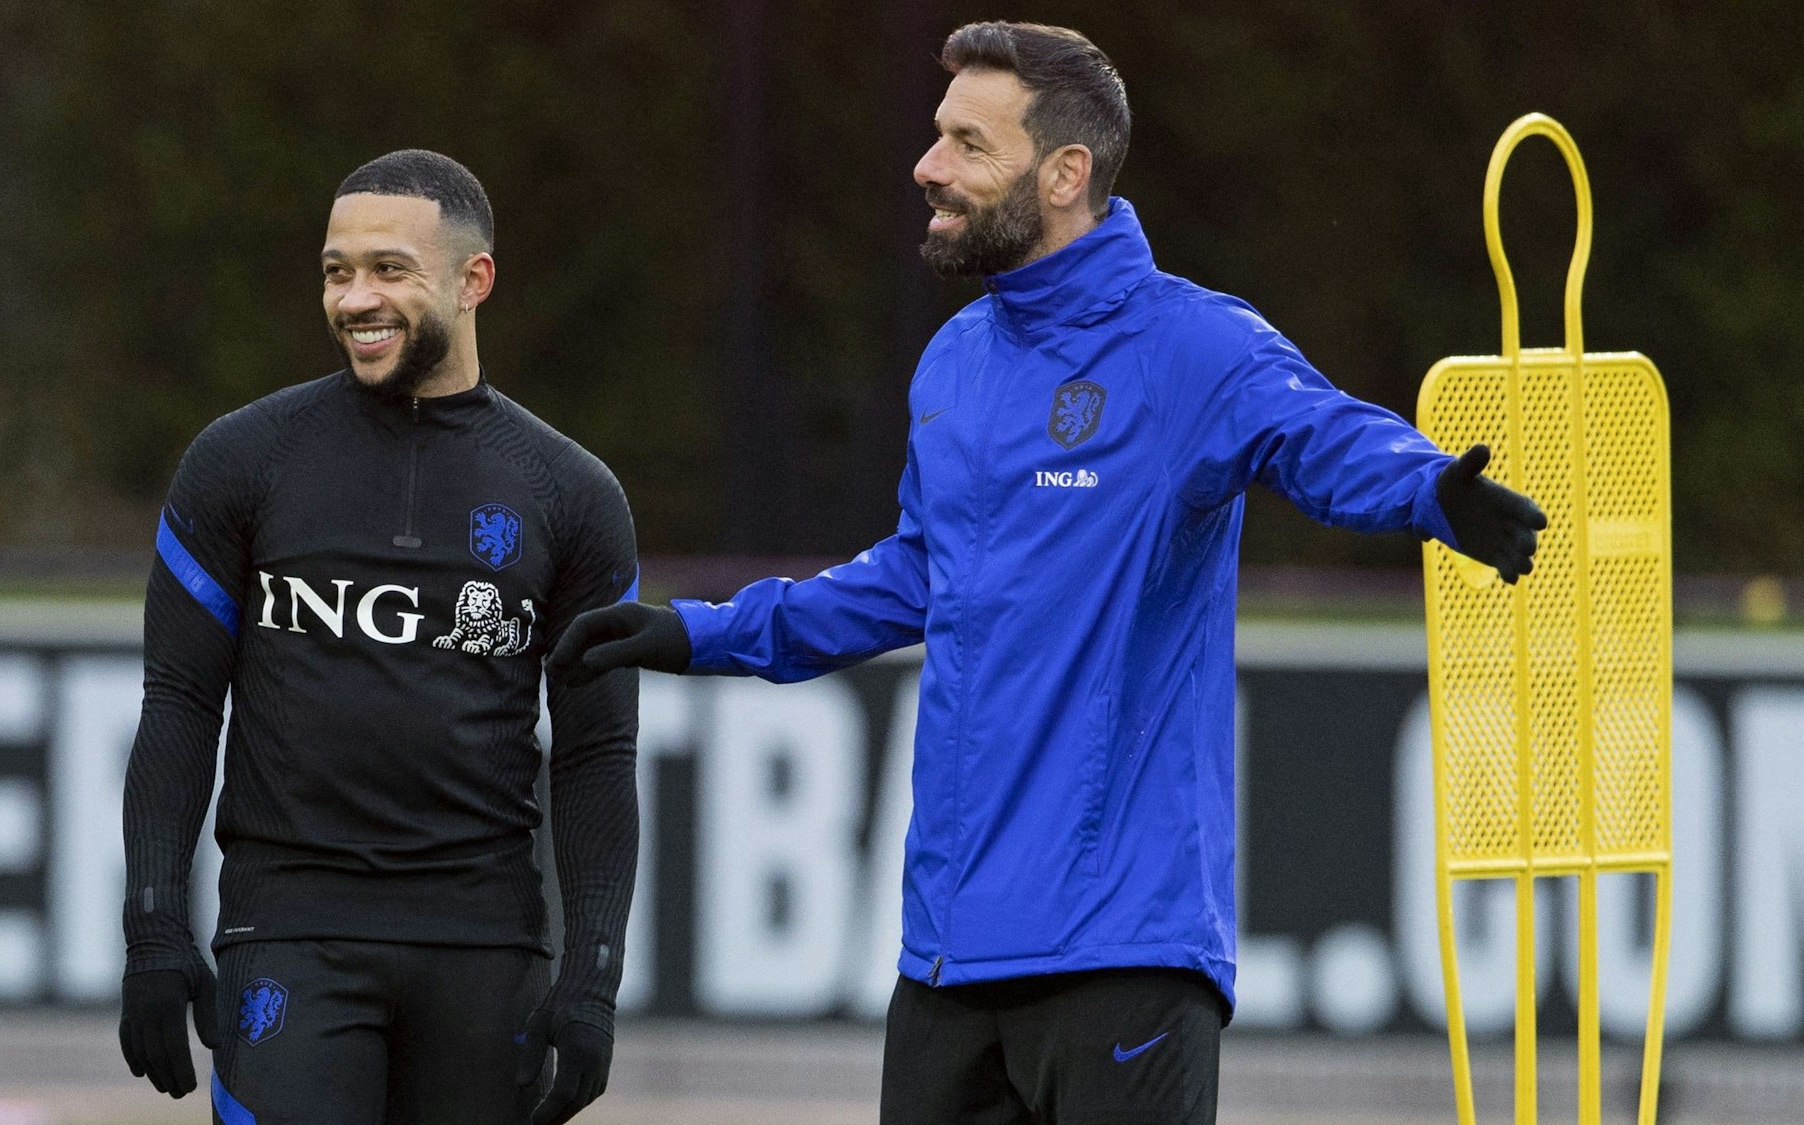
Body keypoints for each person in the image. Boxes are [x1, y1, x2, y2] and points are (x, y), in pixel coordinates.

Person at [548, 22, 1543, 1125]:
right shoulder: (958, 359)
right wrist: (700, 634)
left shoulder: (1192, 348)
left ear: (1063, 173)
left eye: (966, 143)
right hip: (943, 964)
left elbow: (1321, 437)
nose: (926, 167)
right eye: (935, 136)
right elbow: (912, 576)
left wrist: (1427, 493)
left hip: (1123, 953)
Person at [118, 149, 640, 1125]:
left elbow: (599, 751)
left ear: (471, 279)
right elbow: (181, 704)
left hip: (486, 947)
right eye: (335, 270)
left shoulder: (571, 495)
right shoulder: (239, 462)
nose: (355, 297)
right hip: (288, 930)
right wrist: (154, 929)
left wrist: (594, 974)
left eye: (388, 269)